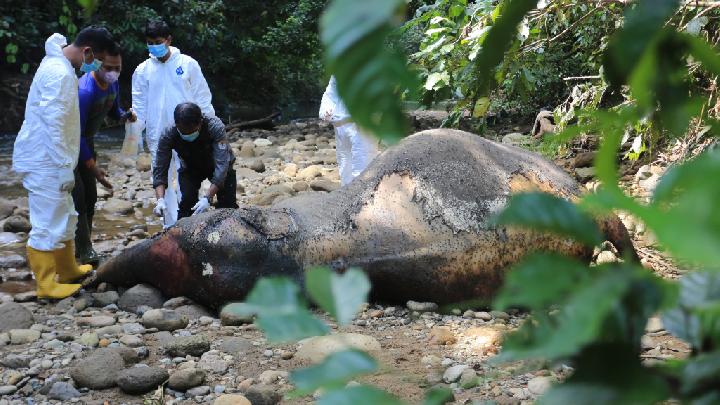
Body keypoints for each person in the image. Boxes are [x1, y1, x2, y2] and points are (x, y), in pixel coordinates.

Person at [12, 26, 116, 299]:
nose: (97, 66)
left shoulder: (60, 63)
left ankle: (67, 268)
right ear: (88, 51)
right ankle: (46, 284)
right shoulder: (59, 73)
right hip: (45, 159)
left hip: (54, 156)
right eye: (98, 59)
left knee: (66, 212)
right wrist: (61, 167)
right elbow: (54, 125)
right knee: (47, 220)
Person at [132, 19, 215, 227]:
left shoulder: (187, 64)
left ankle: (191, 225)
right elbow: (139, 107)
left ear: (169, 40)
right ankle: (169, 227)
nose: (153, 46)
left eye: (157, 41)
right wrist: (132, 137)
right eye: (150, 42)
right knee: (163, 179)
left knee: (189, 179)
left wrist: (210, 129)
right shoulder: (142, 71)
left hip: (188, 133)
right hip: (157, 134)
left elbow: (203, 98)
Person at [73, 42, 136, 265]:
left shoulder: (113, 85)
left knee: (90, 197)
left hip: (87, 143)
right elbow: (76, 133)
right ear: (97, 63)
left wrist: (125, 115)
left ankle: (81, 246)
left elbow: (114, 110)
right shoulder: (85, 91)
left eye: (117, 68)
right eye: (109, 68)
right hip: (69, 147)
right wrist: (94, 168)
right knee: (77, 198)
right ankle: (83, 248)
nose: (113, 73)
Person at [152, 103, 237, 220]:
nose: (188, 135)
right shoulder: (168, 134)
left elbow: (222, 166)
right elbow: (160, 168)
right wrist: (160, 200)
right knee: (187, 204)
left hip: (217, 164)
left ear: (200, 122)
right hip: (190, 167)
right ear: (176, 125)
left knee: (228, 206)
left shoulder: (214, 126)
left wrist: (208, 197)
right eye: (183, 132)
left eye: (191, 132)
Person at [319, 76, 379, 186]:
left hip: (363, 122)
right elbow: (331, 94)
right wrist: (326, 110)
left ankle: (362, 195)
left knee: (364, 160)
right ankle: (347, 195)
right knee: (345, 161)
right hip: (341, 122)